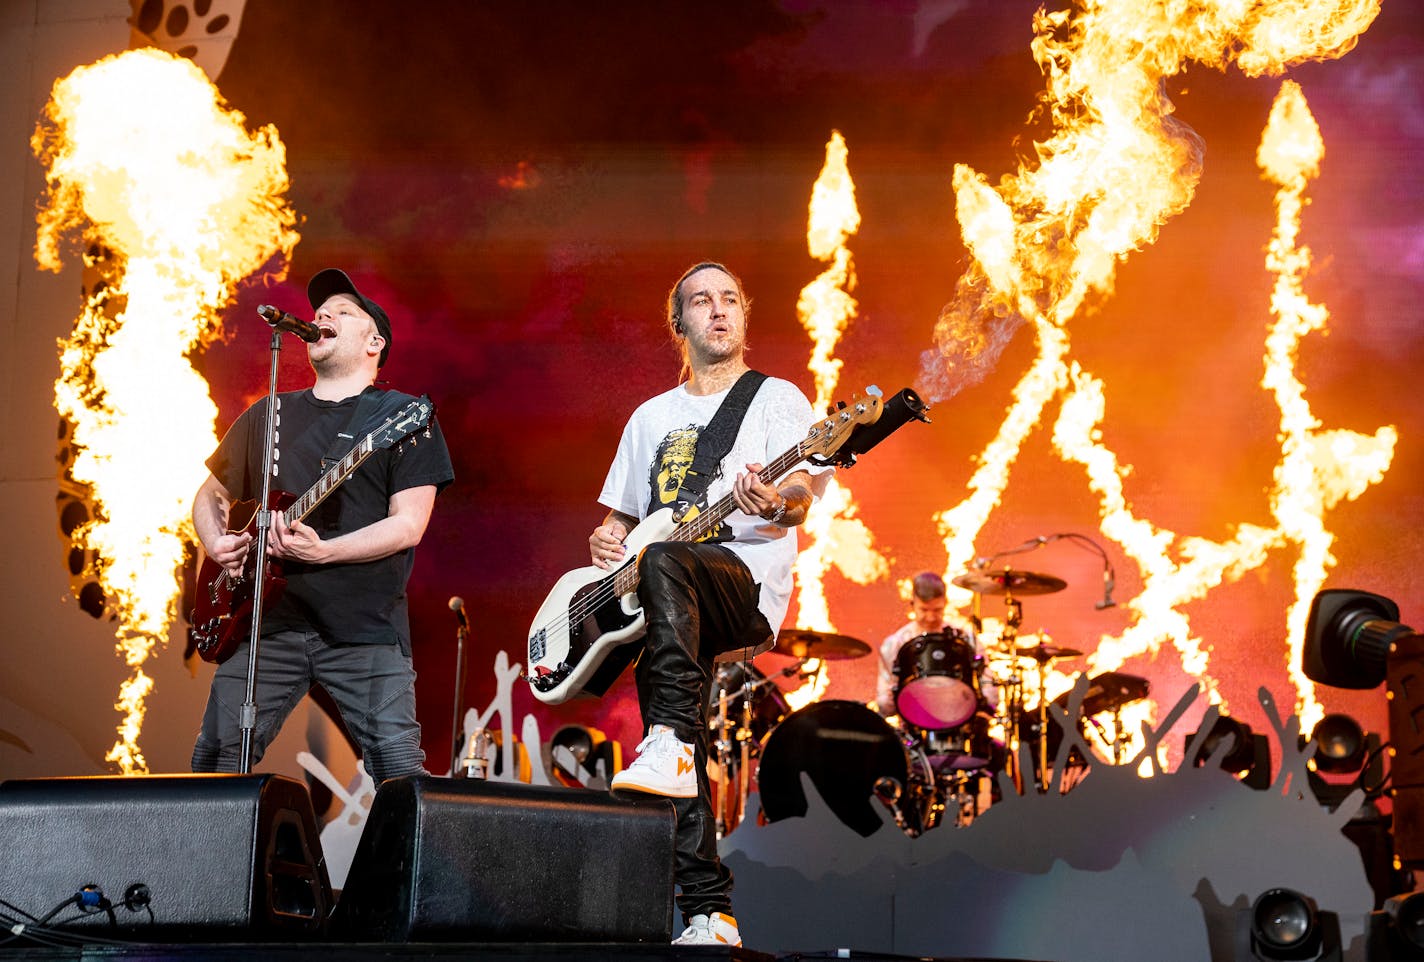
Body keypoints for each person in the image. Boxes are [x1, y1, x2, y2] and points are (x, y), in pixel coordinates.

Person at [589, 261, 831, 947]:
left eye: (730, 300)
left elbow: (799, 502)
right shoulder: (649, 418)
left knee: (667, 563)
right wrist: (608, 541)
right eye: (702, 300)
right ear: (680, 323)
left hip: (742, 584)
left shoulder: (777, 398)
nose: (719, 310)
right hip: (662, 601)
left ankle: (665, 746)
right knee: (679, 738)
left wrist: (775, 503)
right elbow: (620, 520)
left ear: (744, 316)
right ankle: (709, 914)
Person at [189, 267, 454, 783]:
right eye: (321, 310)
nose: (323, 315)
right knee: (214, 765)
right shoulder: (271, 413)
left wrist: (326, 552)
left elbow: (408, 525)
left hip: (365, 631)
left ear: (374, 341)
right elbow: (211, 492)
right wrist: (216, 540)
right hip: (267, 624)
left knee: (400, 775)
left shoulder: (402, 417)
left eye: (344, 311)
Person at [874, 571, 996, 719]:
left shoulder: (964, 637)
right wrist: (890, 697)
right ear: (912, 605)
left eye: (937, 610)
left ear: (945, 603)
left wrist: (985, 703)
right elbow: (884, 704)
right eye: (924, 610)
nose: (931, 617)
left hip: (961, 722)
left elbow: (988, 683)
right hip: (914, 724)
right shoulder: (895, 644)